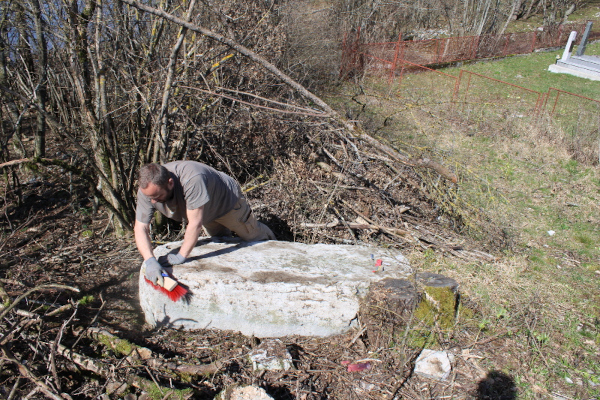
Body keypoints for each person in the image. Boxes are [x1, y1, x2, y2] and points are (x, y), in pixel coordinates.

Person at [134, 161, 275, 286]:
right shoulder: (147, 191)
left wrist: (181, 255)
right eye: (150, 197)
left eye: (157, 197)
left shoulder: (191, 178)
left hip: (227, 202)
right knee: (221, 241)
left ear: (170, 183)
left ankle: (277, 246)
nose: (152, 202)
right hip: (204, 212)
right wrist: (150, 260)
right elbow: (141, 227)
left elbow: (195, 223)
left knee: (252, 235)